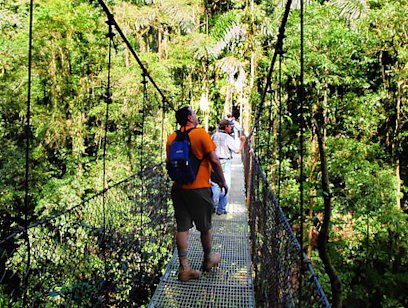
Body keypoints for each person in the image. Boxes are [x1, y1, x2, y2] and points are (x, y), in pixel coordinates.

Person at [166, 106, 228, 282]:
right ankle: (208, 259)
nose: (196, 115)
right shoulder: (200, 134)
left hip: (178, 189)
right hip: (199, 189)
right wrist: (222, 181)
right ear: (189, 118)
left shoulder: (171, 138)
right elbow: (214, 160)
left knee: (182, 228)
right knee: (205, 226)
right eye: (193, 113)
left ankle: (184, 268)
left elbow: (169, 164)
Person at [211, 119, 246, 215]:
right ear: (226, 127)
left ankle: (213, 206)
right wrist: (243, 141)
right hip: (224, 163)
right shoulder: (227, 137)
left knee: (214, 185)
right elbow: (237, 150)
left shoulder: (213, 136)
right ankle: (221, 209)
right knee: (225, 185)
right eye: (230, 126)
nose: (231, 128)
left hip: (213, 163)